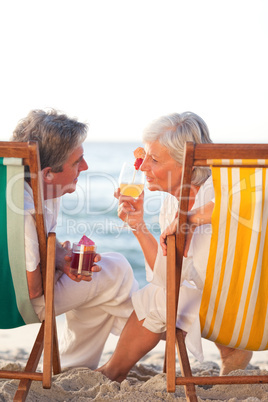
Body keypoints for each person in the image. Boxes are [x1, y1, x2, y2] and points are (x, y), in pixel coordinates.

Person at [97, 112, 252, 381]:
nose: (143, 166)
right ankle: (232, 352)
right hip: (217, 300)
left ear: (188, 165)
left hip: (246, 305)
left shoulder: (224, 190)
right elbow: (167, 276)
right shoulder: (172, 203)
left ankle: (112, 372)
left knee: (157, 299)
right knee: (160, 293)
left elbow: (246, 203)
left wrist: (192, 218)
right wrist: (138, 225)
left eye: (154, 159)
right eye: (144, 156)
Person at [12, 108, 139, 370]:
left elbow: (31, 248)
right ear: (47, 173)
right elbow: (33, 290)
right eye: (77, 161)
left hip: (11, 293)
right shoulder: (25, 211)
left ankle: (81, 362)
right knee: (115, 270)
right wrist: (55, 262)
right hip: (15, 304)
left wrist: (59, 256)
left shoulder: (30, 192)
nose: (86, 167)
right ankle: (147, 325)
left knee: (103, 273)